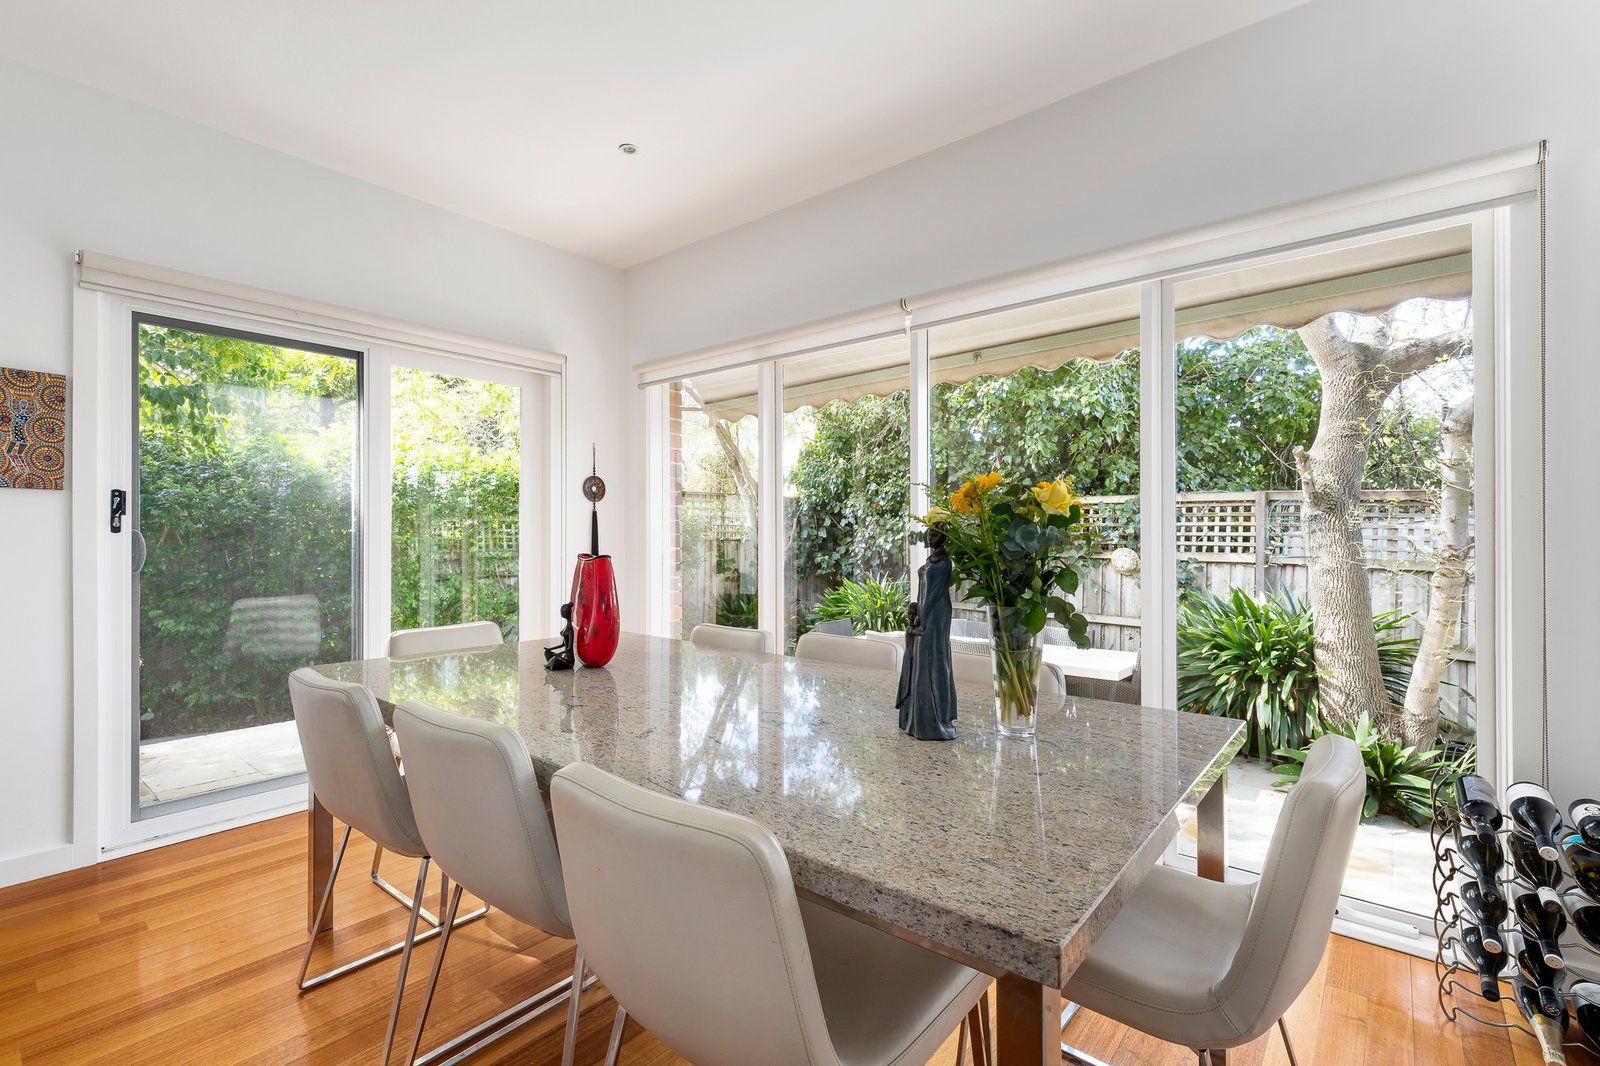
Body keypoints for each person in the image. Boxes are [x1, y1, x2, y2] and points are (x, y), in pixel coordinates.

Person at [896, 528, 958, 740]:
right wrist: (915, 607)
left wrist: (922, 615)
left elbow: (933, 595)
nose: (932, 538)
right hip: (923, 610)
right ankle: (914, 716)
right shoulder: (930, 561)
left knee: (932, 659)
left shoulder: (945, 564)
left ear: (945, 537)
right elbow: (923, 593)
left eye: (936, 535)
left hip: (936, 613)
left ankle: (934, 720)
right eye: (930, 534)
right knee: (918, 656)